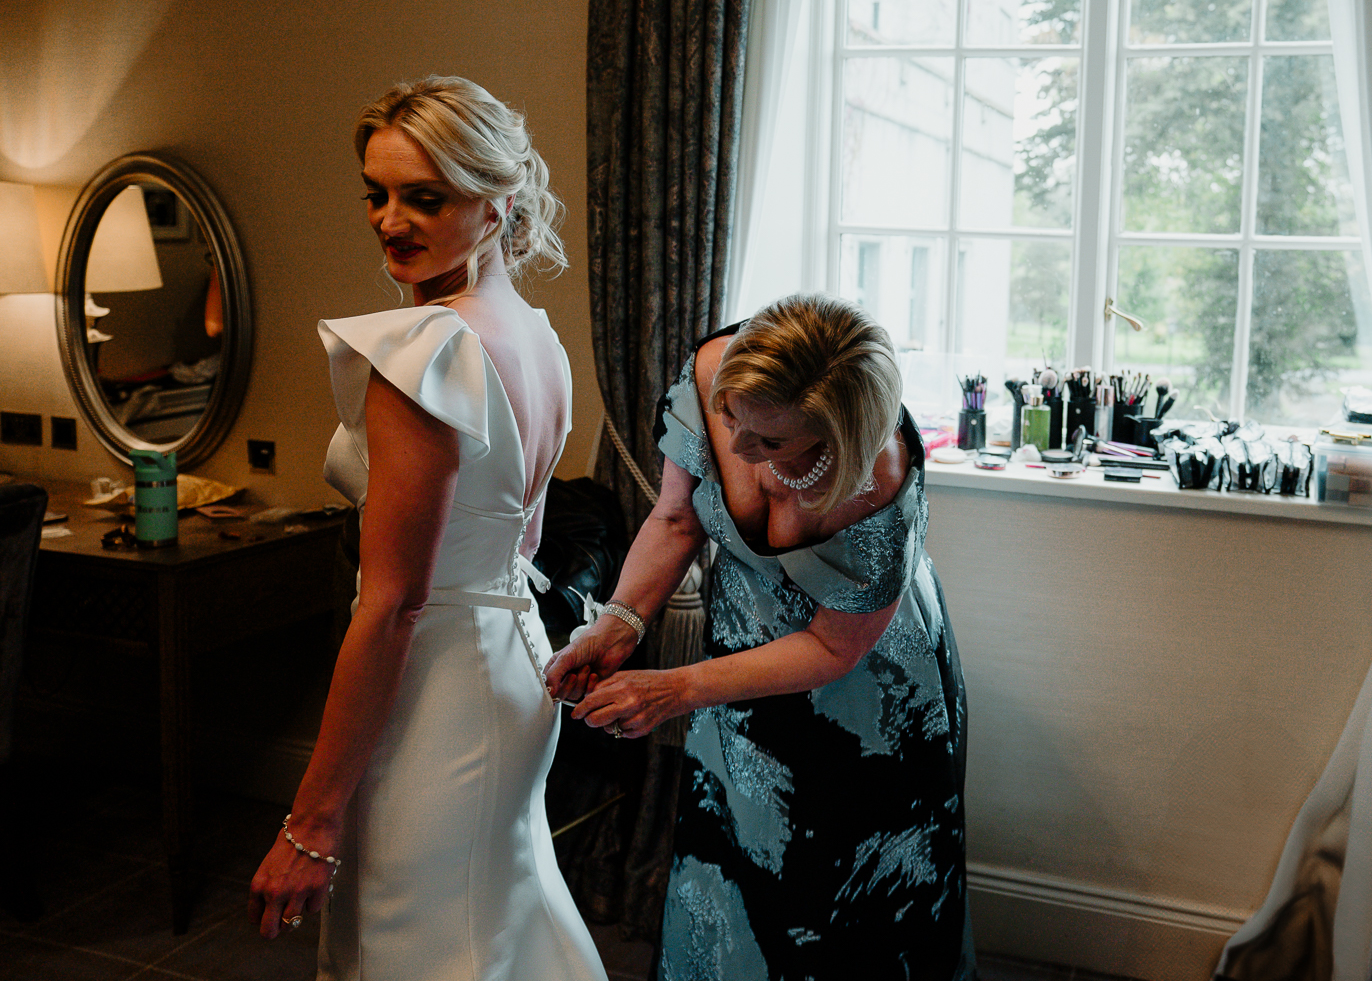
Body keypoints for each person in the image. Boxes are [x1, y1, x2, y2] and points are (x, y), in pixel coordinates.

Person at [248, 76, 605, 981]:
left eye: (426, 196)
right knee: (493, 918)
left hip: (438, 683)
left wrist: (312, 818)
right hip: (515, 659)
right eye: (377, 192)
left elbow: (395, 602)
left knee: (415, 943)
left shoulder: (428, 350)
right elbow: (514, 544)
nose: (389, 220)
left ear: (498, 204)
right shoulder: (535, 336)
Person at [545, 295, 975, 980]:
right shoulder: (719, 370)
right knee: (743, 874)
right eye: (728, 421)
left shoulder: (877, 478)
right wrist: (619, 622)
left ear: (839, 439)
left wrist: (675, 689)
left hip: (869, 691)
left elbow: (837, 647)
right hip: (741, 666)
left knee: (847, 895)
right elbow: (678, 518)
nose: (738, 451)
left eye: (769, 443)